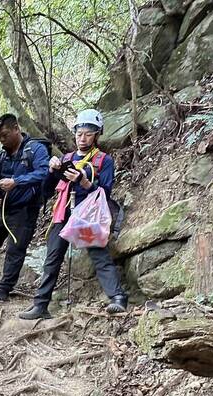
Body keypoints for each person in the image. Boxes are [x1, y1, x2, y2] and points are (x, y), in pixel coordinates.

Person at [19, 109, 128, 320]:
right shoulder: (67, 158)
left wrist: (84, 181)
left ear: (97, 134)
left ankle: (117, 298)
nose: (82, 137)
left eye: (88, 133)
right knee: (52, 258)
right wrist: (51, 171)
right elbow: (47, 190)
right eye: (79, 133)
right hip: (64, 211)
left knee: (99, 255)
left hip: (88, 214)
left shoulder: (104, 160)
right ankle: (41, 305)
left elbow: (104, 192)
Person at [0, 113, 50, 303]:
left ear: (16, 128)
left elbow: (43, 172)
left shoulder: (36, 149)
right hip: (1, 209)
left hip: (24, 210)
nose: (2, 139)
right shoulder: (0, 156)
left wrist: (16, 182)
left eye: (5, 134)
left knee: (15, 249)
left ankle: (4, 288)